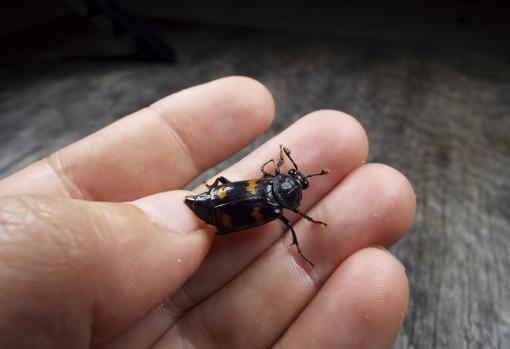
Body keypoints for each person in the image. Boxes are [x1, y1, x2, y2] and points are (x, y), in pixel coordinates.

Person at [0, 76, 416, 348]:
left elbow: (276, 188)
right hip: (216, 214)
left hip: (222, 210)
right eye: (298, 179)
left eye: (296, 180)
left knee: (243, 200)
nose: (297, 180)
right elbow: (284, 198)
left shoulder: (273, 195)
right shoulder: (279, 203)